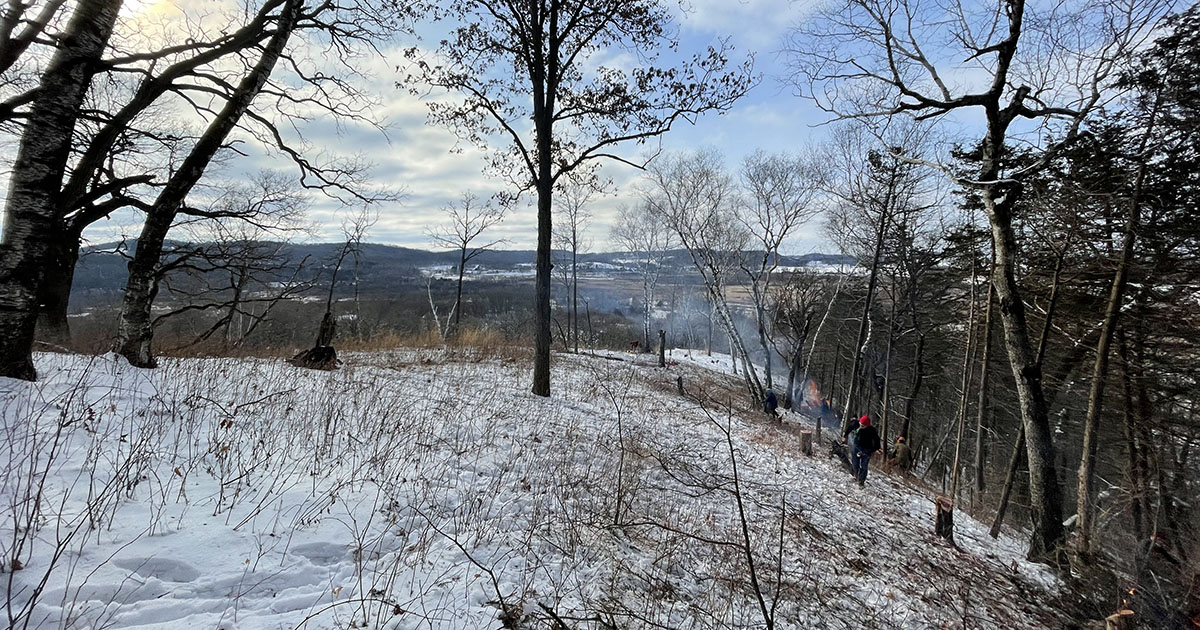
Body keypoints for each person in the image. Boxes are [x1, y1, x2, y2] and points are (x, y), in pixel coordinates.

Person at [850, 414, 881, 486]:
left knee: (864, 466)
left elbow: (877, 441)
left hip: (867, 450)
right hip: (856, 448)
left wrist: (875, 449)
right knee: (855, 463)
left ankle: (861, 481)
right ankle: (856, 474)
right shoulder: (857, 427)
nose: (861, 426)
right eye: (860, 424)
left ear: (867, 426)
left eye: (863, 426)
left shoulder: (872, 431)